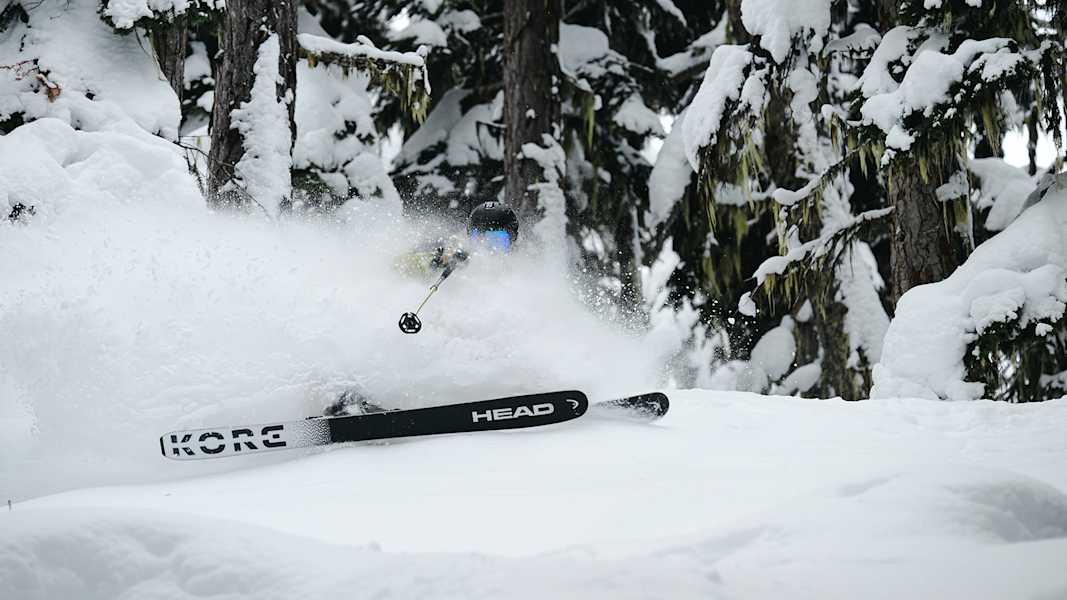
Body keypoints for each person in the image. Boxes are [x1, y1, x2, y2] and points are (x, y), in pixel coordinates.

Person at [324, 201, 520, 417]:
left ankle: (513, 389)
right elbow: (397, 265)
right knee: (399, 332)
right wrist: (436, 260)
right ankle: (356, 397)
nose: (486, 247)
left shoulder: (525, 269)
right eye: (479, 238)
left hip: (483, 348)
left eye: (497, 240)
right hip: (441, 333)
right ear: (468, 234)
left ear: (513, 239)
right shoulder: (451, 249)